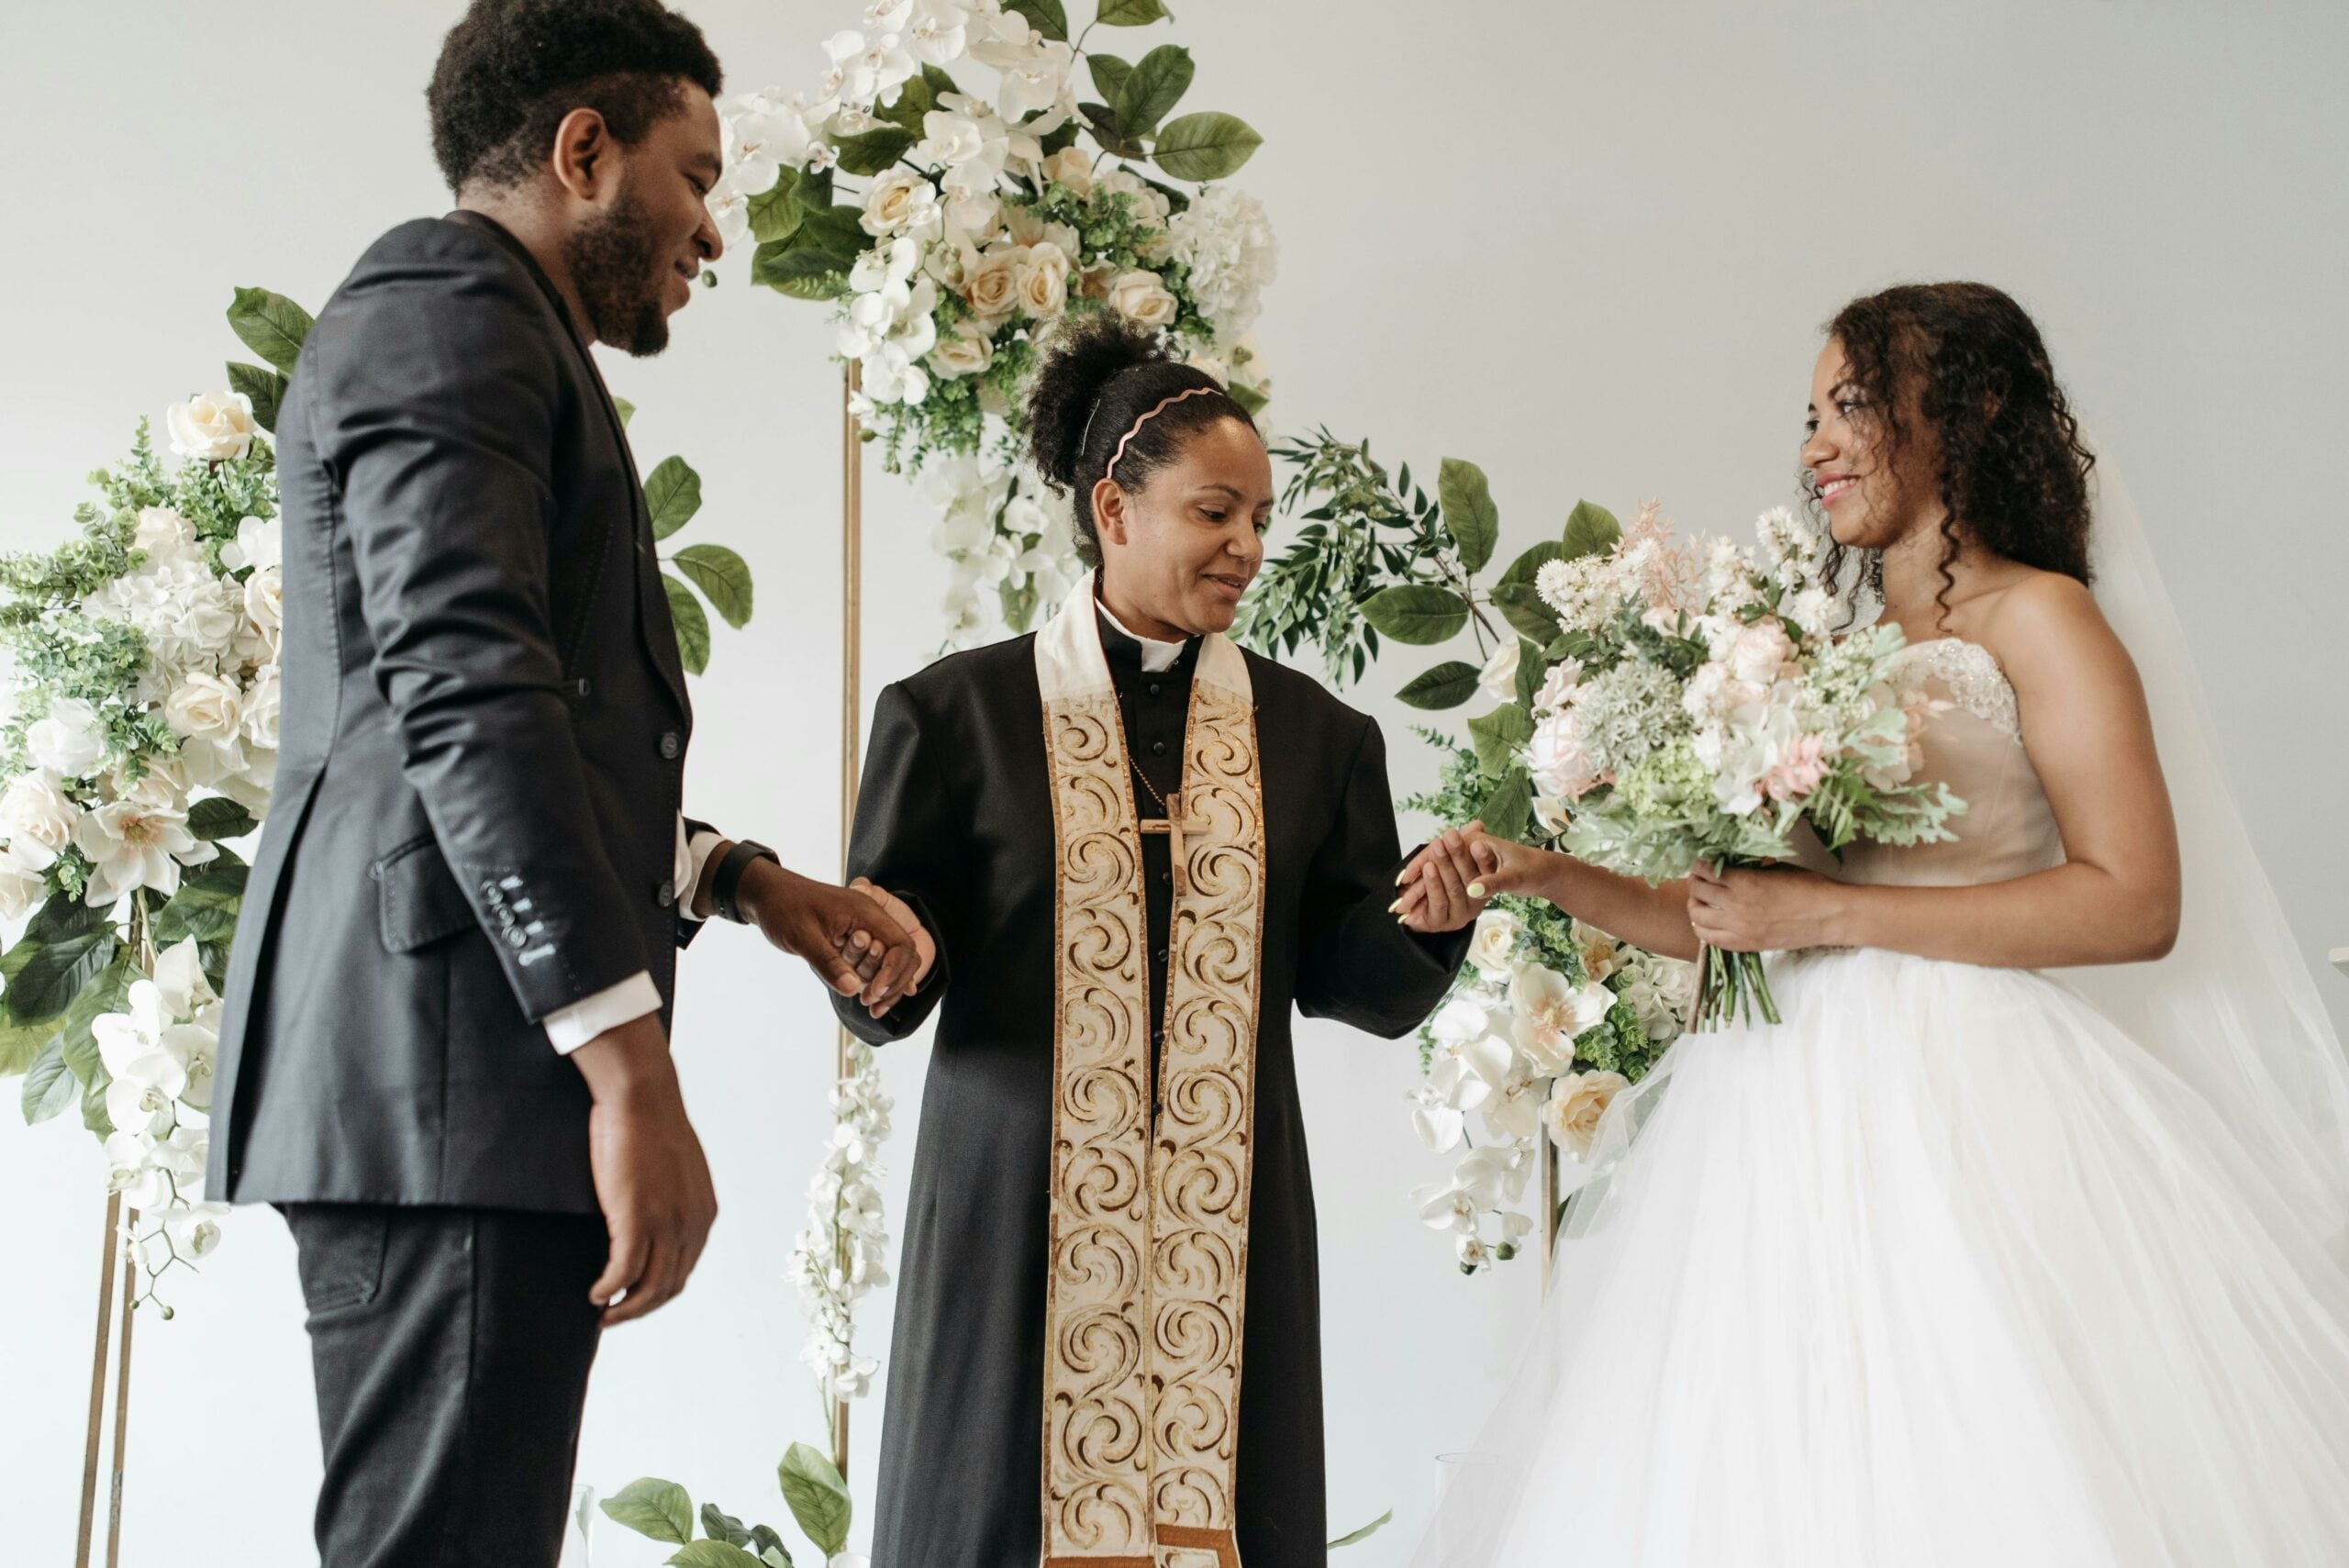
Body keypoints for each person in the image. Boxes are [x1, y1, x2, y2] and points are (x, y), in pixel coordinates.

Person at [1405, 281, 2349, 1566]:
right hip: (1777, 1109)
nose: (1818, 447)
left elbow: (2137, 899)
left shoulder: (2043, 619)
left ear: (1970, 409)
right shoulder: (1803, 647)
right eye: (1810, 417)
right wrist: (1543, 869)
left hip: (1976, 1095)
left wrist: (1832, 910)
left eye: (1853, 405)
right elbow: (1736, 917)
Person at [205, 4, 919, 1562]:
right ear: (583, 152)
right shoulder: (452, 308)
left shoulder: (490, 325)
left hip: (451, 1079)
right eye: (696, 177)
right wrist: (629, 1072)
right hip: (449, 1078)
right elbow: (468, 696)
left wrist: (744, 880)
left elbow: (535, 721)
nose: (713, 233)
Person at [833, 315, 1488, 1566]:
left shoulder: (1318, 738)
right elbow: (886, 966)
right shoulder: (950, 716)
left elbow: (1343, 971)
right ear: (1113, 510)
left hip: (1222, 1229)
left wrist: (1422, 919)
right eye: (1214, 512)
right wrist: (886, 960)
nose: (1247, 545)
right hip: (1011, 1225)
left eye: (1258, 517)